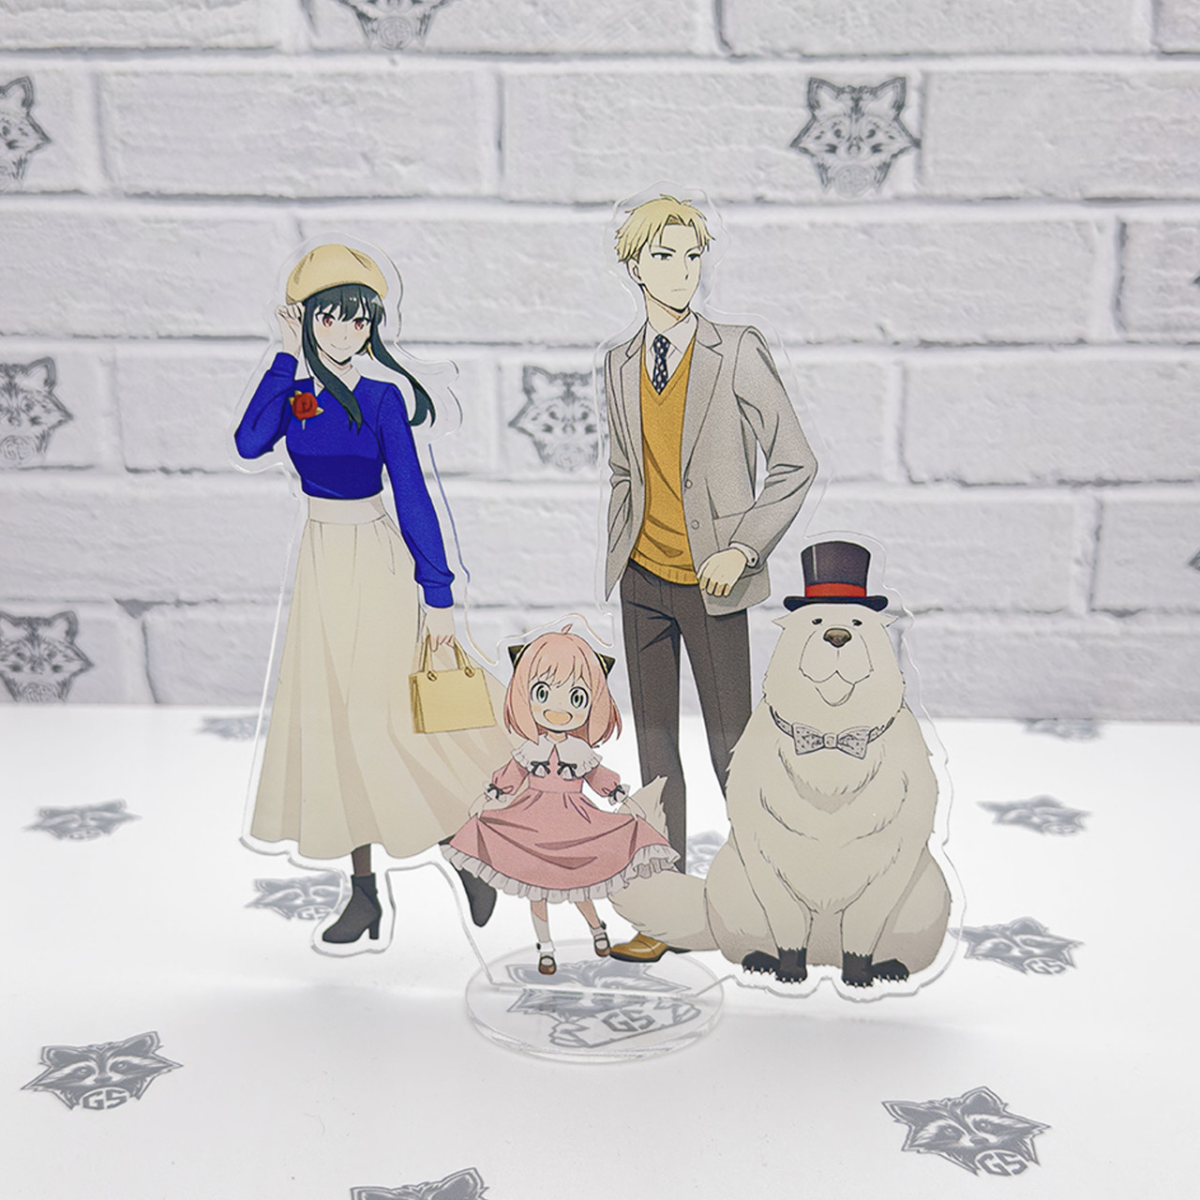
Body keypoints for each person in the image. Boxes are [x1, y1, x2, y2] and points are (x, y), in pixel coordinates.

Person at [235, 243, 507, 947]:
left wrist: (438, 594)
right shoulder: (298, 394)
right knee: (333, 726)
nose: (345, 331)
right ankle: (364, 896)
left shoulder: (383, 399)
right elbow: (250, 441)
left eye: (359, 320)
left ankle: (463, 851)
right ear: (306, 320)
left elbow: (412, 495)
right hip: (321, 561)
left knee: (386, 719)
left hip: (377, 561)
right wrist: (282, 356)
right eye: (329, 317)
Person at [603, 195, 819, 962]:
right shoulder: (619, 362)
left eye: (692, 255)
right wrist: (621, 545)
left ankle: (774, 905)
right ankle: (665, 910)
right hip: (641, 581)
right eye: (663, 256)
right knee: (655, 754)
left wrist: (745, 548)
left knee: (736, 750)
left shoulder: (736, 351)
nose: (682, 272)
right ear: (634, 268)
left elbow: (795, 463)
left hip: (714, 584)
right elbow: (625, 469)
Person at [442, 629, 677, 976]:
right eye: (542, 693)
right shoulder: (530, 749)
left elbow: (599, 778)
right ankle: (546, 949)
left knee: (578, 886)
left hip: (576, 822)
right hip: (530, 822)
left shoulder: (579, 751)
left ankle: (597, 929)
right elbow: (510, 777)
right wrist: (488, 797)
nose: (557, 710)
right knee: (537, 891)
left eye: (576, 697)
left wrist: (622, 799)